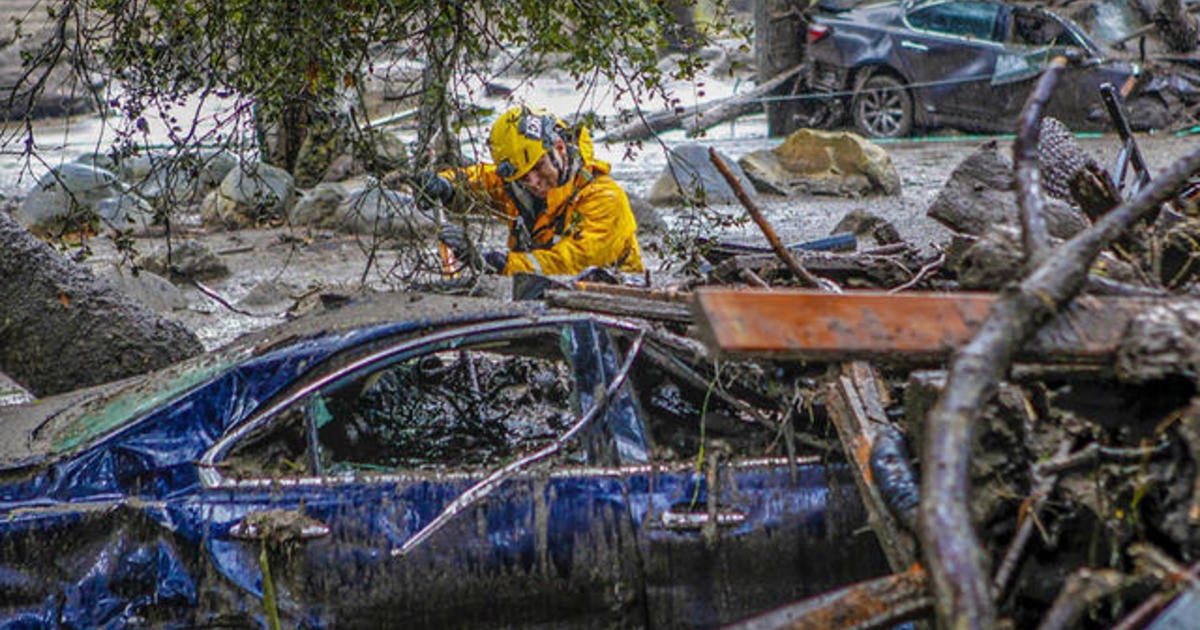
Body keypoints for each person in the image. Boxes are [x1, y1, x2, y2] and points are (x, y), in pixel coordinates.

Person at [418, 104, 644, 276]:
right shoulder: (520, 185)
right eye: (523, 176)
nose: (533, 182)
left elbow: (572, 263)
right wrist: (446, 186)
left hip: (611, 304)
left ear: (559, 148)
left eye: (538, 167)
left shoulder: (605, 197)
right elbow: (484, 179)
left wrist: (497, 262)